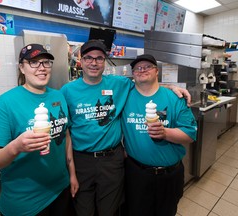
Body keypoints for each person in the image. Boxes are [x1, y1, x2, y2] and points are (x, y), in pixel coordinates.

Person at [60, 39, 192, 216]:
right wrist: (71, 171)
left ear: (105, 61)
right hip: (82, 159)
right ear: (80, 60)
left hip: (111, 160)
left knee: (110, 210)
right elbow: (66, 131)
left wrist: (168, 87)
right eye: (88, 57)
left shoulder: (119, 84)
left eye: (99, 58)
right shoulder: (67, 91)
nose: (94, 62)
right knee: (84, 210)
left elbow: (145, 84)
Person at [0, 44, 79, 216]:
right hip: (26, 203)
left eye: (45, 62)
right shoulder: (4, 105)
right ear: (21, 67)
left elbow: (65, 136)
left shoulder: (58, 96)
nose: (41, 68)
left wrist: (72, 174)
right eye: (33, 62)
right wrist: (16, 147)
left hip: (60, 191)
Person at [121, 54, 197, 216]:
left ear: (157, 71)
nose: (142, 70)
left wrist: (165, 132)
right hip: (136, 174)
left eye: (147, 67)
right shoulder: (124, 96)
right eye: (137, 68)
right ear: (132, 74)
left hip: (169, 175)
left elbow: (190, 134)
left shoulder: (175, 98)